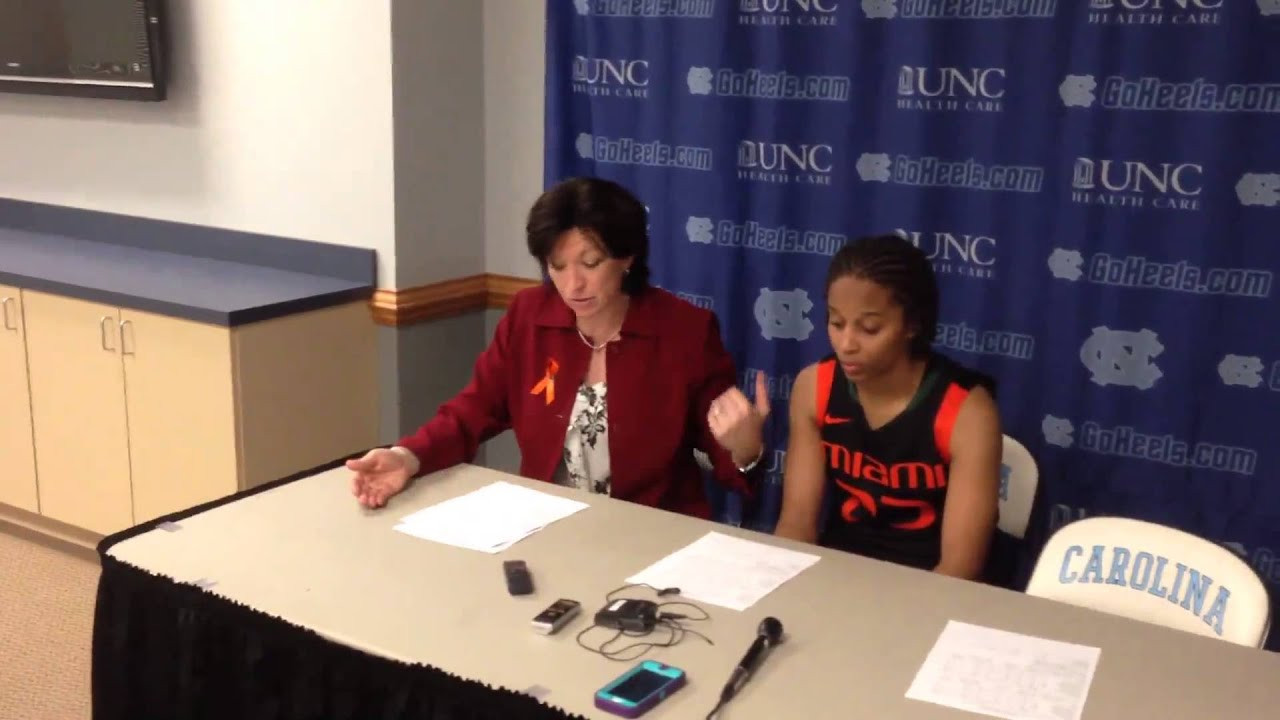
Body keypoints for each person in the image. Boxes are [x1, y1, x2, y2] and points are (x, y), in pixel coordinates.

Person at [348, 177, 769, 517]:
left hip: (650, 534)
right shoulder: (529, 316)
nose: (573, 285)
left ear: (627, 258)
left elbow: (731, 460)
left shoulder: (684, 331)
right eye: (557, 266)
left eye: (590, 263)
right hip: (545, 525)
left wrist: (745, 447)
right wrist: (407, 456)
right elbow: (471, 412)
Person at [773, 234, 1002, 580]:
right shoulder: (814, 387)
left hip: (930, 586)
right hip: (838, 576)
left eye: (869, 328)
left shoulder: (967, 411)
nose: (846, 344)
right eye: (836, 323)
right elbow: (796, 526)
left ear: (912, 324)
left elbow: (960, 570)